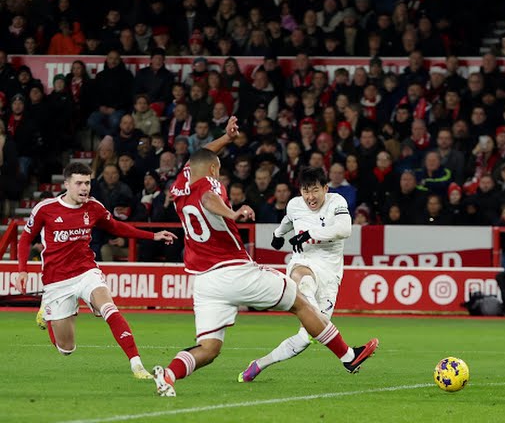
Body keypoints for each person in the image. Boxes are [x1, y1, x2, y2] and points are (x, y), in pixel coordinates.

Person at [151, 119, 378, 397]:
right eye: (218, 168)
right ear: (212, 170)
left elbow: (200, 158)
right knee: (301, 303)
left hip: (204, 281)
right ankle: (347, 356)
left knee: (209, 349)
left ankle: (170, 374)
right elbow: (209, 197)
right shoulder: (209, 185)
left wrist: (225, 137)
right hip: (235, 271)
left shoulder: (180, 185)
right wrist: (231, 213)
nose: (219, 172)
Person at [13, 162, 176, 379]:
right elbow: (25, 239)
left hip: (86, 271)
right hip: (57, 281)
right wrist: (22, 270)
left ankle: (137, 365)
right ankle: (48, 310)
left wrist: (152, 235)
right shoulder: (46, 209)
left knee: (108, 307)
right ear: (67, 184)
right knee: (66, 349)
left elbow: (117, 227)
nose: (84, 188)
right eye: (79, 183)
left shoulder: (94, 207)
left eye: (87, 183)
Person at [241, 166, 352, 381]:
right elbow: (288, 220)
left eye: (315, 190)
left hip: (330, 271)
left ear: (325, 188)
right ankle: (349, 355)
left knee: (306, 337)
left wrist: (311, 234)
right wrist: (278, 234)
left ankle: (259, 364)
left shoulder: (336, 202)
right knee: (304, 279)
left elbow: (344, 229)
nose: (310, 197)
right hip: (302, 261)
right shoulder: (294, 205)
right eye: (305, 191)